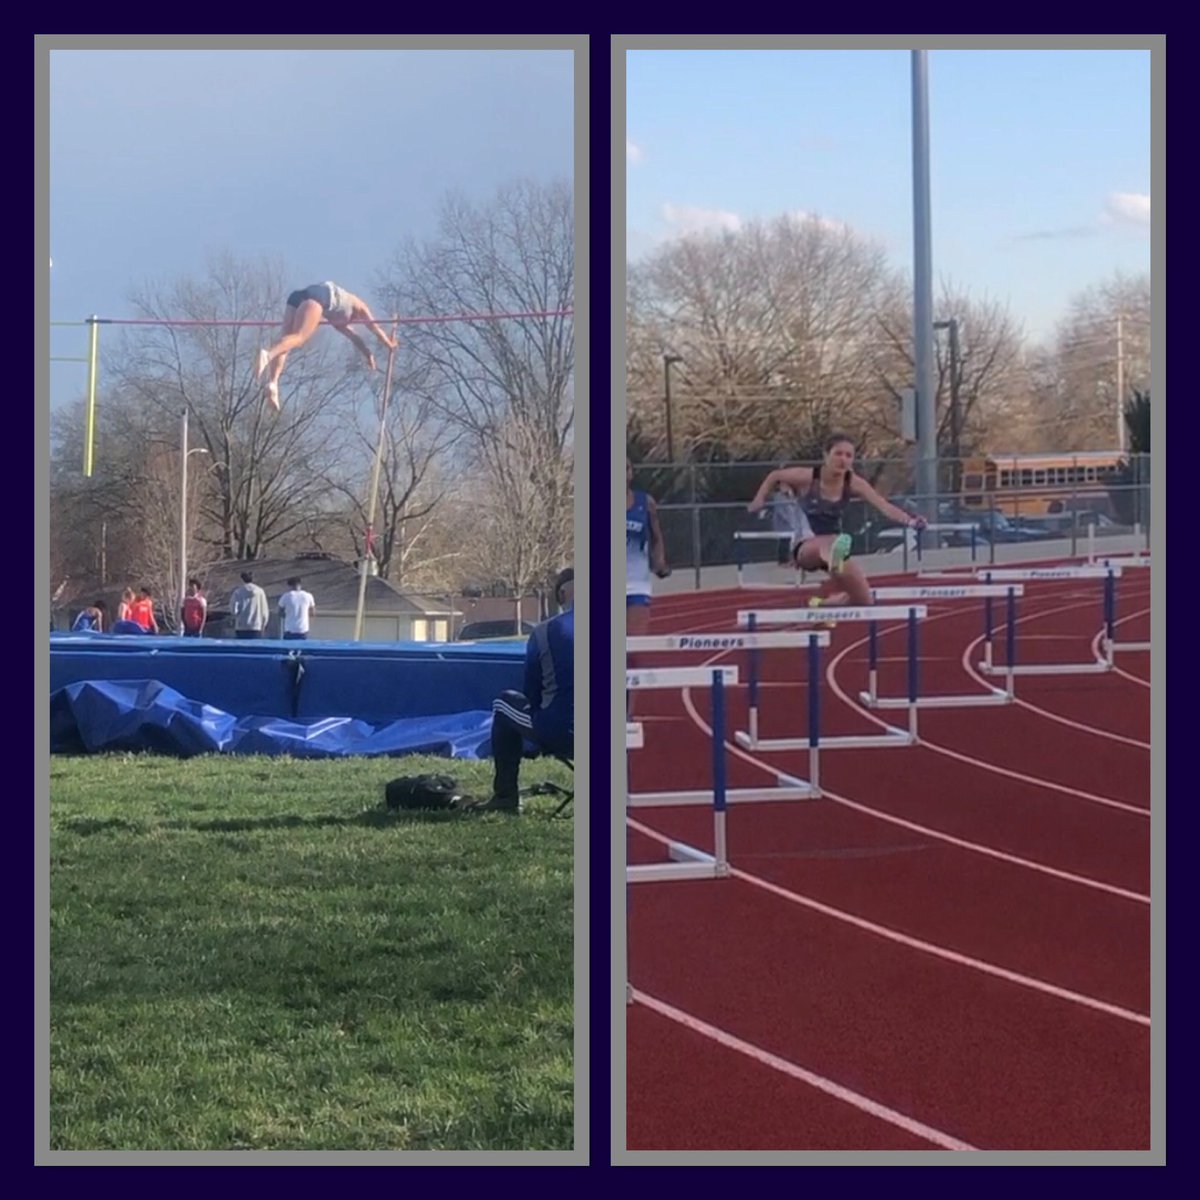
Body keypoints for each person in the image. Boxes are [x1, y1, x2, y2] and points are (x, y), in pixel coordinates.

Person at [747, 433, 926, 611]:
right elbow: (775, 475)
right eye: (838, 454)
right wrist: (759, 499)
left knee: (864, 600)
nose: (843, 460)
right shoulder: (808, 477)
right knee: (832, 544)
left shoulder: (854, 483)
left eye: (848, 456)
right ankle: (836, 568)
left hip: (834, 548)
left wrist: (911, 521)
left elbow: (884, 506)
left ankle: (821, 603)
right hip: (806, 547)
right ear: (826, 455)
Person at [472, 568, 574, 814]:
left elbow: (531, 692)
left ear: (562, 595)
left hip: (563, 731)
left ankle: (505, 796)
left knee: (504, 703)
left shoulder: (545, 631)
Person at [255, 283, 398, 411]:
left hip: (296, 297)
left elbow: (354, 337)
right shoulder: (358, 305)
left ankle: (272, 383)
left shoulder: (339, 321)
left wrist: (367, 354)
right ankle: (267, 355)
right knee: (299, 338)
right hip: (314, 301)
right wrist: (389, 343)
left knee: (286, 343)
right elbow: (374, 327)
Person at [626, 458, 669, 637]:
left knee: (635, 642)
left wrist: (659, 562)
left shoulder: (646, 502)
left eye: (626, 468)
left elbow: (656, 537)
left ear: (631, 473)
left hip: (637, 583)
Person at [230, 571, 270, 639]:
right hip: (256, 626)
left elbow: (234, 610)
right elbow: (264, 610)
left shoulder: (238, 592)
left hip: (241, 626)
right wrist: (264, 624)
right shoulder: (260, 592)